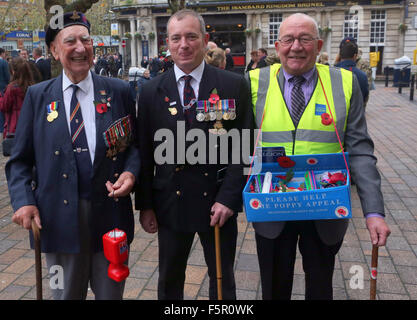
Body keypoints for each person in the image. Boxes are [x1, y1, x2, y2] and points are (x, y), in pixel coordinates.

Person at [247, 13, 390, 300]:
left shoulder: (345, 83)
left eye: (305, 39)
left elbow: (361, 149)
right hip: (272, 205)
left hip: (324, 205)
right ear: (277, 46)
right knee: (274, 287)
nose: (296, 46)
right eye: (288, 39)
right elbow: (236, 142)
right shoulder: (252, 81)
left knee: (321, 286)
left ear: (319, 44)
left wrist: (373, 211)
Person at [5, 12, 140, 300]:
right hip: (57, 222)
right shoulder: (38, 96)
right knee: (63, 295)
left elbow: (134, 147)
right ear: (54, 50)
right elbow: (19, 161)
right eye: (70, 41)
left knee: (111, 295)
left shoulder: (118, 91)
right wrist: (24, 201)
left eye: (86, 40)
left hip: (110, 220)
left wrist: (131, 173)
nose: (80, 48)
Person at [137, 9, 253, 300]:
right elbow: (145, 153)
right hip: (170, 203)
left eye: (191, 36)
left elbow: (241, 148)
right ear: (168, 43)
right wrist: (146, 205)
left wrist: (228, 199)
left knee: (222, 279)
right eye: (176, 38)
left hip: (217, 203)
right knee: (170, 279)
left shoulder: (233, 84)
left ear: (205, 39)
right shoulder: (151, 90)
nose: (184, 44)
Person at [0, 57, 35, 139]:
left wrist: (1, 97)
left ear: (13, 71)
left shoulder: (11, 88)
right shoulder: (32, 85)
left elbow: (4, 106)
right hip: (29, 125)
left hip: (14, 126)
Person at [335, 37, 369, 106]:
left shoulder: (330, 73)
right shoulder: (362, 76)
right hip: (356, 114)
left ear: (340, 54)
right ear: (355, 56)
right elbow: (364, 98)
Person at [0, 48, 10, 138]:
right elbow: (7, 77)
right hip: (2, 90)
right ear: (2, 53)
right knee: (2, 111)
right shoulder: (3, 63)